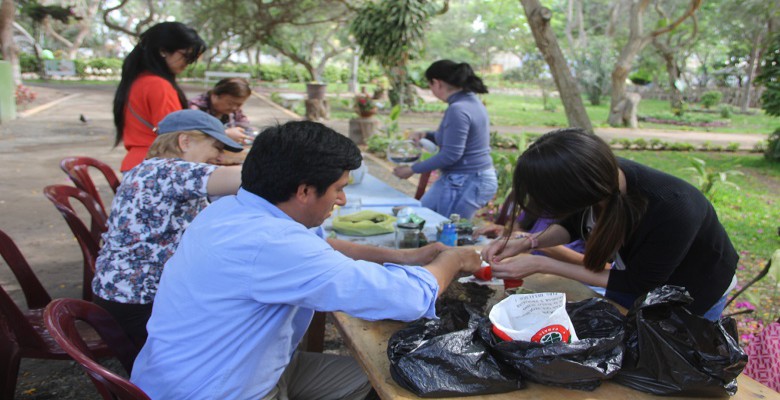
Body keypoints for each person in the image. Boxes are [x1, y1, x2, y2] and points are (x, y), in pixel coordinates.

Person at [130, 120, 481, 399]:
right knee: (414, 383)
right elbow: (407, 299)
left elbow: (324, 247)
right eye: (338, 188)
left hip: (211, 368)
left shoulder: (232, 209)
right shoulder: (272, 243)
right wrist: (451, 261)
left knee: (386, 379)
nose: (341, 199)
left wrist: (407, 256)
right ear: (303, 191)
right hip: (216, 390)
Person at [482, 128, 738, 320]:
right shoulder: (598, 178)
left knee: (669, 360)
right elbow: (573, 224)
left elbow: (637, 283)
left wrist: (540, 262)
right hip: (636, 275)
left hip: (695, 289)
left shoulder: (674, 208)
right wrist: (528, 241)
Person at [93, 110, 244, 347]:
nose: (219, 156)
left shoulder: (151, 169)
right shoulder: (167, 171)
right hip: (139, 303)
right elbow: (250, 178)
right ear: (184, 141)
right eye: (216, 147)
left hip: (126, 295)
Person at [392, 60, 498, 220]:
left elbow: (451, 154)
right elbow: (457, 140)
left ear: (437, 83)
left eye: (430, 85)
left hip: (468, 180)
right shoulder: (470, 101)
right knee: (421, 218)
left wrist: (413, 169)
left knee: (442, 231)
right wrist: (426, 135)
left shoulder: (458, 109)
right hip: (462, 178)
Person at [113, 22, 207, 172]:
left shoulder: (140, 80)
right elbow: (176, 132)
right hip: (155, 167)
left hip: (138, 164)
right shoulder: (158, 85)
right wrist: (220, 135)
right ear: (163, 51)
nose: (187, 64)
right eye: (186, 56)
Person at [189, 77, 253, 144]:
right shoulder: (195, 109)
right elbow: (194, 135)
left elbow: (245, 126)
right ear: (215, 96)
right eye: (230, 103)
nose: (234, 108)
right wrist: (224, 134)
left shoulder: (234, 109)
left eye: (239, 105)